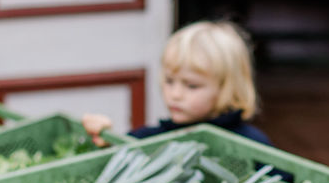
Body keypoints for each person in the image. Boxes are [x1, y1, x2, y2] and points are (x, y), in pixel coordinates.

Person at [83, 19, 273, 146]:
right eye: (169, 81)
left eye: (191, 86)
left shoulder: (251, 144)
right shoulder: (152, 140)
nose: (175, 94)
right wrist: (105, 138)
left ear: (227, 89)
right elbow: (116, 157)